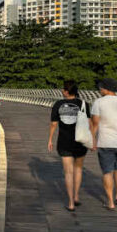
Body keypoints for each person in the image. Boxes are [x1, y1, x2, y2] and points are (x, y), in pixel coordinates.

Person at [90, 78, 117, 211]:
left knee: (107, 171)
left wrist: (92, 141)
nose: (99, 90)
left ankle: (110, 202)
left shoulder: (98, 102)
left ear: (106, 89)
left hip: (106, 142)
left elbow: (95, 124)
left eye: (101, 88)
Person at [48, 80, 90, 211]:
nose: (62, 91)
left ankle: (71, 203)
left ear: (66, 91)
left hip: (64, 141)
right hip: (80, 141)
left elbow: (54, 124)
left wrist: (50, 139)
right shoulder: (84, 104)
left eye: (63, 89)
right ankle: (76, 196)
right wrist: (92, 140)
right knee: (78, 169)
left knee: (68, 172)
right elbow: (89, 123)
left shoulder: (58, 104)